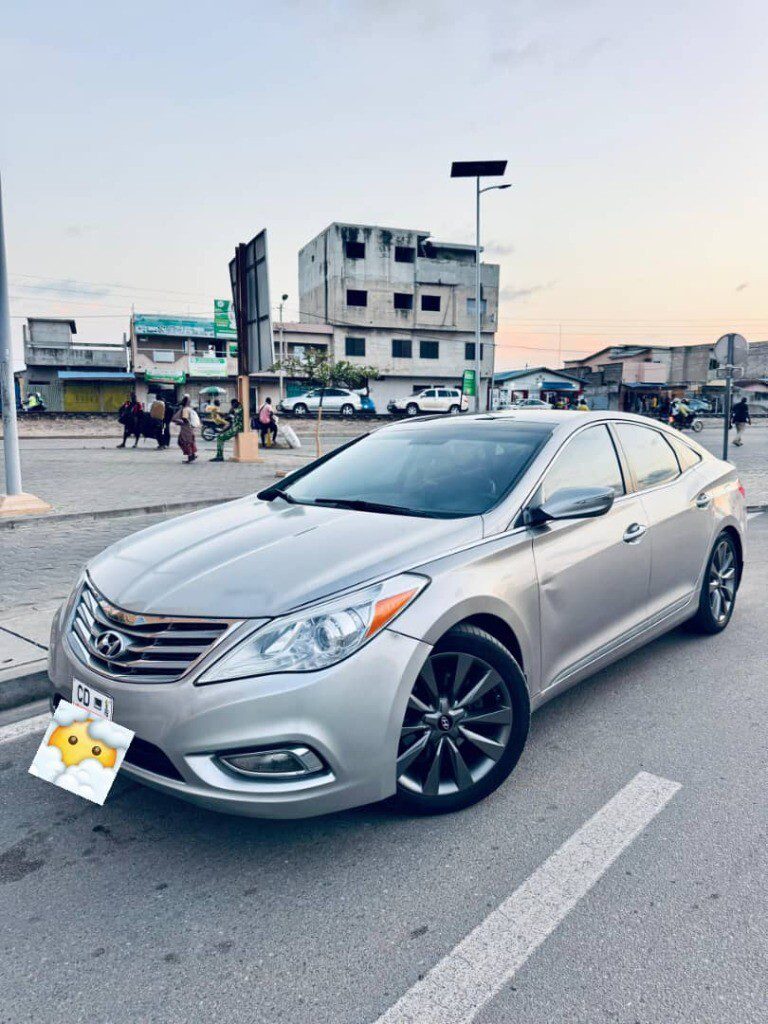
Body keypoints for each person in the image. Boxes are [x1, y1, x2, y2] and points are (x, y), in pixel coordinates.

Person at [172, 394, 198, 463]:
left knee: (183, 442)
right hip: (189, 428)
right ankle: (192, 455)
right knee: (190, 441)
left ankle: (190, 456)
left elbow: (185, 419)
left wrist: (179, 422)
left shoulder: (185, 409)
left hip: (185, 429)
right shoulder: (189, 409)